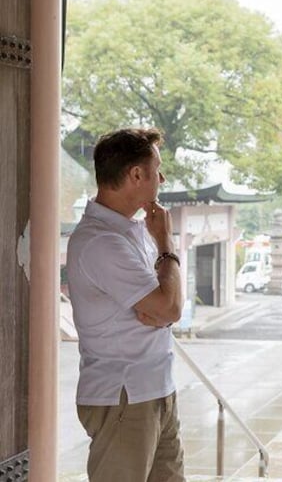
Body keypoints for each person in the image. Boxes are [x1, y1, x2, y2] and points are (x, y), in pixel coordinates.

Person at [67, 127, 185, 482]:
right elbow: (169, 308)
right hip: (124, 395)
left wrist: (160, 304)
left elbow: (164, 307)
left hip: (155, 388)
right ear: (136, 174)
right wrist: (166, 243)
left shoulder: (131, 231)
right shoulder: (101, 242)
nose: (162, 178)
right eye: (157, 169)